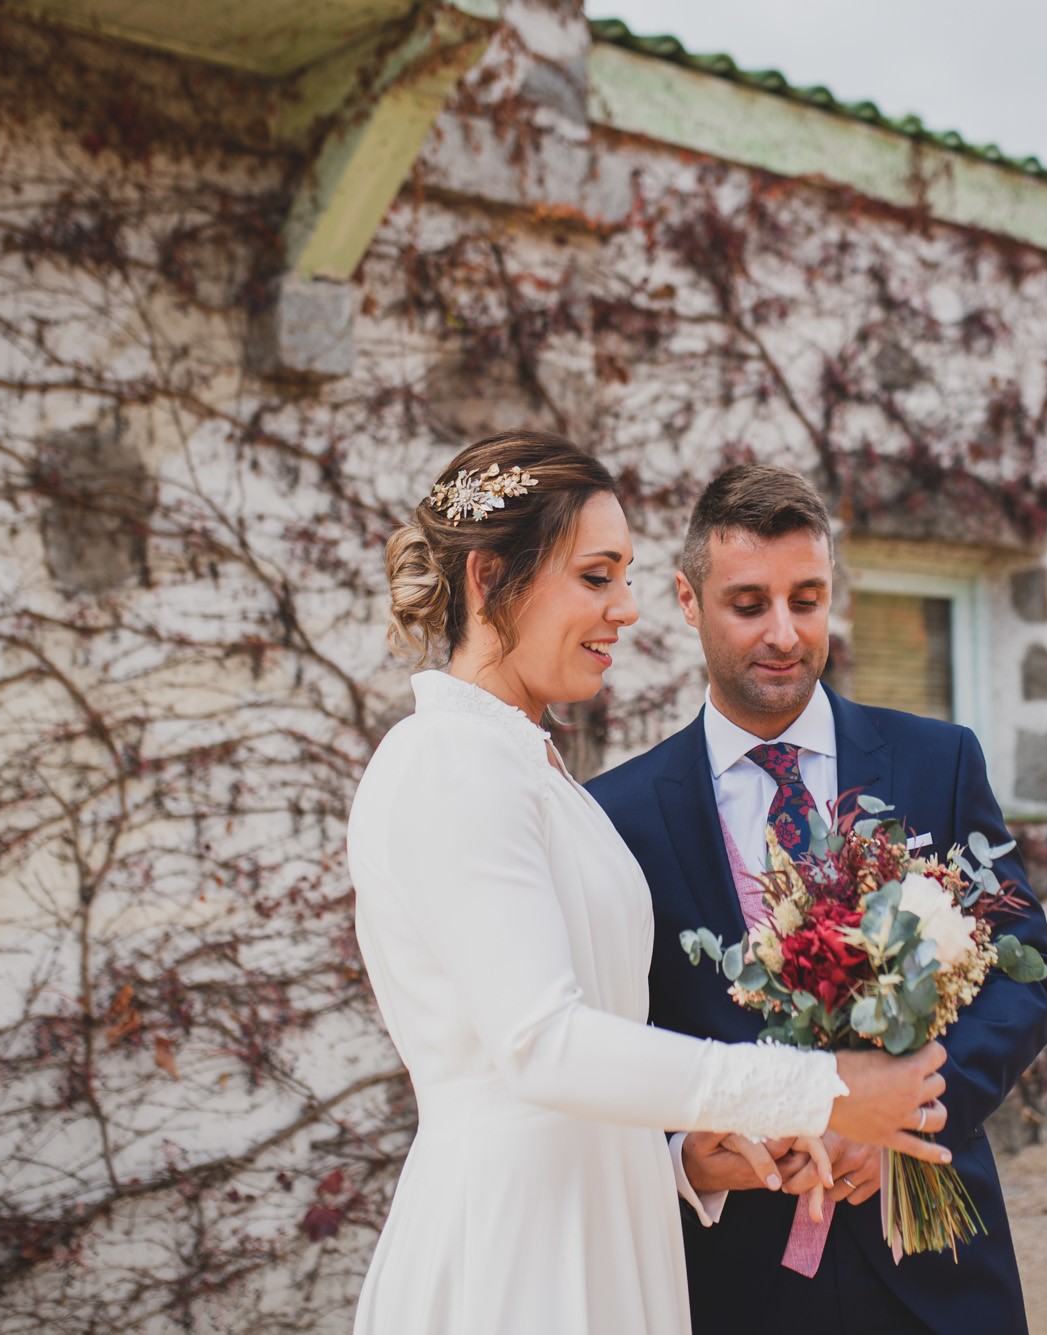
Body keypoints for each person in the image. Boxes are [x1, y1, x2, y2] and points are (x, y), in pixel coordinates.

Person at [346, 433, 955, 1335]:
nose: (626, 609)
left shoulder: (537, 771)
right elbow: (541, 1043)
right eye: (596, 576)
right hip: (520, 1252)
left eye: (627, 576)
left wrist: (684, 1160)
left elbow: (592, 1051)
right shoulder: (446, 761)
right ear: (487, 580)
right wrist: (814, 1087)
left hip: (605, 1224)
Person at [587, 464, 1047, 1335]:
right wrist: (685, 1158)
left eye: (806, 599)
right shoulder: (615, 816)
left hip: (938, 1268)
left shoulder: (940, 760)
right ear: (688, 602)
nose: (783, 633)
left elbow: (1028, 976)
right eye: (748, 604)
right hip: (738, 1284)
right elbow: (606, 1048)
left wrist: (913, 1115)